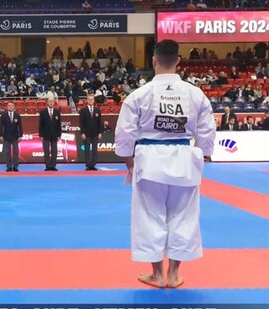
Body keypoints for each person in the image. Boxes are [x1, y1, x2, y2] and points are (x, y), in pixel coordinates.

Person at [115, 39, 216, 289]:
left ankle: (157, 274)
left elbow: (125, 134)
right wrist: (201, 155)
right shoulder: (195, 93)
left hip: (148, 159)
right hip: (184, 158)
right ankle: (174, 273)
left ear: (154, 60)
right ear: (179, 61)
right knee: (184, 217)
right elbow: (207, 131)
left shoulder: (139, 94)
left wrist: (130, 162)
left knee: (149, 218)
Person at [79, 94, 103, 171]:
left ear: (94, 100)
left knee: (95, 150)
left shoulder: (97, 110)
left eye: (92, 99)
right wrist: (82, 133)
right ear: (86, 100)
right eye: (89, 99)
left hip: (95, 133)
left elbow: (100, 122)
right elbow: (81, 123)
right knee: (87, 149)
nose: (91, 101)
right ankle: (88, 164)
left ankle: (93, 164)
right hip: (86, 133)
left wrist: (100, 132)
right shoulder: (83, 110)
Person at [39, 97, 63, 172]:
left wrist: (59, 135)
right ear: (47, 103)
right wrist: (41, 135)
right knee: (46, 150)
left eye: (52, 101)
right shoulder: (43, 112)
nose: (51, 103)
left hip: (55, 134)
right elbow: (41, 124)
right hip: (45, 134)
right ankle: (47, 165)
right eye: (50, 101)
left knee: (54, 150)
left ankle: (53, 165)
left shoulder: (57, 112)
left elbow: (59, 124)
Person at [0, 102, 23, 172]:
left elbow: (20, 126)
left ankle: (15, 166)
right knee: (7, 152)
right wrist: (1, 135)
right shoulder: (3, 115)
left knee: (16, 152)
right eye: (9, 106)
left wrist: (20, 135)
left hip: (15, 136)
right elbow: (0, 126)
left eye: (11, 105)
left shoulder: (17, 115)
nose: (10, 107)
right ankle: (8, 166)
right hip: (6, 136)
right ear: (7, 107)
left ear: (14, 107)